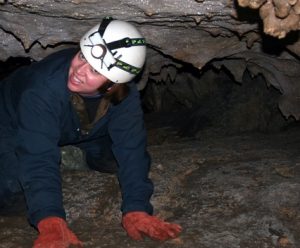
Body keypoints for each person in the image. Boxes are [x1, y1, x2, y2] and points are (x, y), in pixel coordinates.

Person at [0, 17, 182, 247]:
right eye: (81, 56)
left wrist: (137, 209)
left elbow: (132, 148)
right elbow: (37, 157)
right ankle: (61, 149)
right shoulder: (42, 89)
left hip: (78, 125)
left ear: (113, 83)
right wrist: (50, 220)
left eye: (95, 70)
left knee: (114, 162)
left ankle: (75, 149)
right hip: (10, 118)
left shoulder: (124, 95)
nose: (79, 70)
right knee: (13, 197)